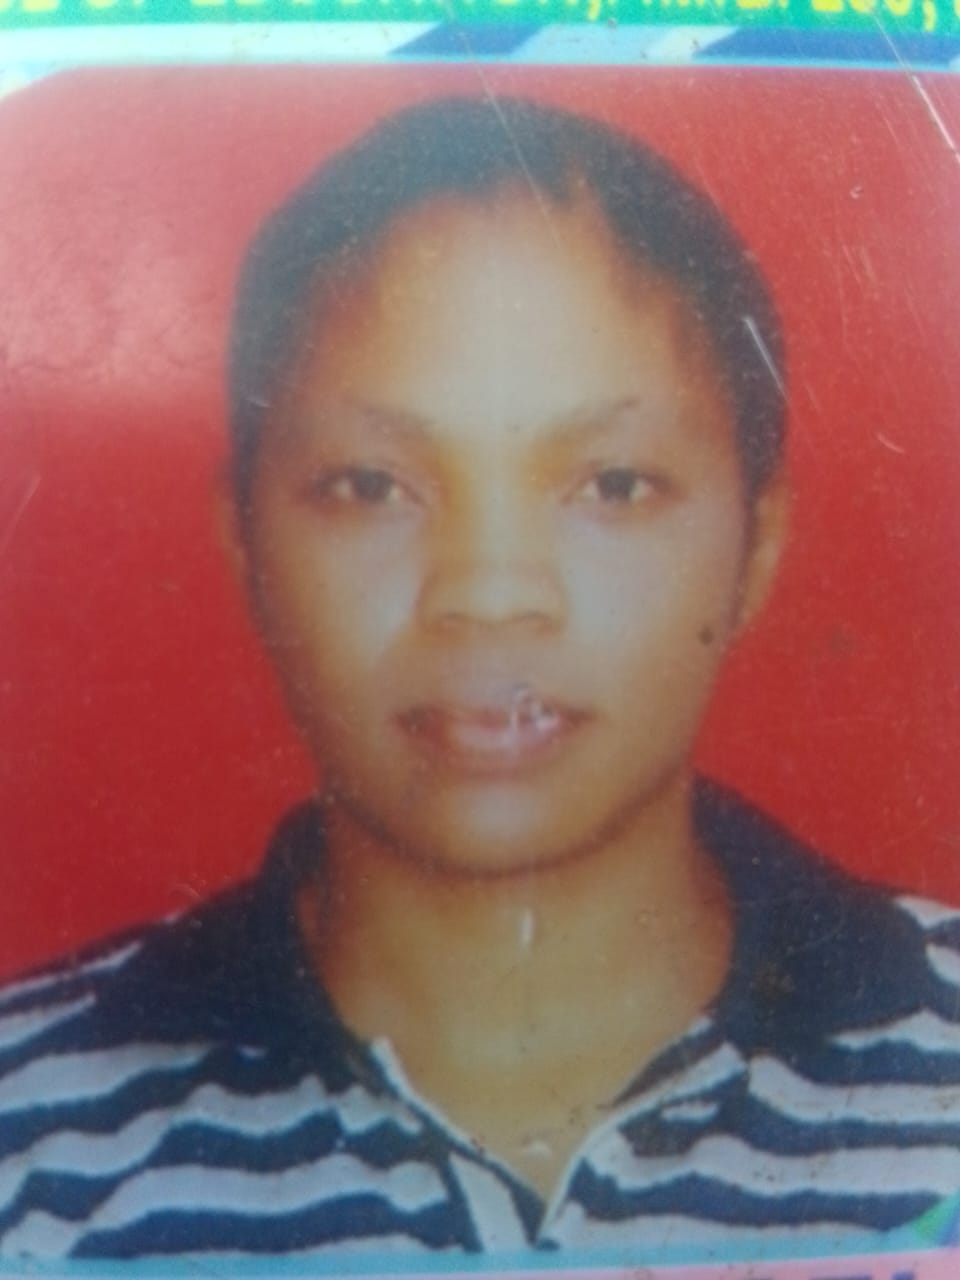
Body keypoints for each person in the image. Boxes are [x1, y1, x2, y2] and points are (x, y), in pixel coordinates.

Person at [1, 94, 959, 1263]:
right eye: (371, 485)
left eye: (611, 484)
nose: (490, 593)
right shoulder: (31, 1143)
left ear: (754, 546)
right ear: (244, 543)